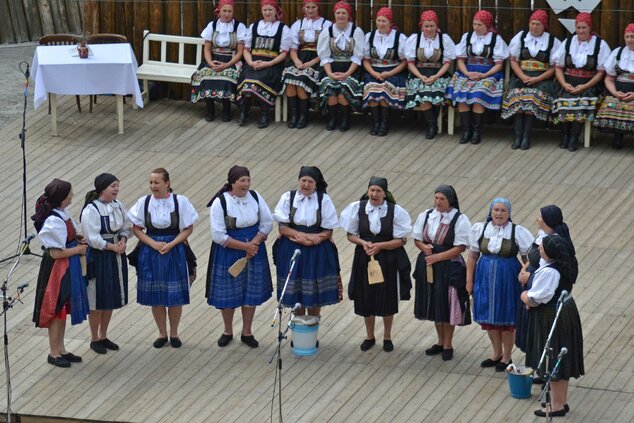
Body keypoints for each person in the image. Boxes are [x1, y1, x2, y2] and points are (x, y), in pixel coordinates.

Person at [128, 168, 198, 348]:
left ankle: (174, 333)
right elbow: (136, 228)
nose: (153, 186)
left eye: (156, 182)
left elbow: (188, 228)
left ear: (167, 183)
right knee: (156, 295)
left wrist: (172, 244)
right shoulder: (144, 203)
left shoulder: (179, 201)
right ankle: (162, 333)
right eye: (151, 182)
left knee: (174, 295)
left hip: (174, 250)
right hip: (151, 252)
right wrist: (152, 243)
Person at [340, 177, 412, 352]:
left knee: (387, 297)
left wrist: (380, 246)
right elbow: (350, 235)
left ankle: (387, 336)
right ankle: (369, 336)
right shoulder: (357, 208)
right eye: (372, 190)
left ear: (385, 194)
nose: (374, 194)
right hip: (364, 257)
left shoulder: (396, 211)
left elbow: (401, 240)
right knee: (366, 297)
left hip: (387, 259)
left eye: (378, 191)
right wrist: (363, 243)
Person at [206, 166, 273, 348]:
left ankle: (247, 332)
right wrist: (246, 246)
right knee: (228, 293)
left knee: (250, 292)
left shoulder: (256, 197)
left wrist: (255, 243)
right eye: (242, 181)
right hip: (229, 251)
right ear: (232, 182)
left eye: (248, 180)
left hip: (254, 249)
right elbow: (218, 235)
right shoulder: (221, 203)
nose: (246, 184)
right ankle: (228, 331)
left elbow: (267, 223)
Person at [272, 166, 341, 333]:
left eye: (310, 181)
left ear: (316, 184)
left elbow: (328, 229)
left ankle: (312, 332)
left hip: (317, 250)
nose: (306, 184)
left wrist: (315, 239)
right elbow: (282, 228)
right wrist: (300, 236)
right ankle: (299, 331)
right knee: (296, 290)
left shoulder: (323, 200)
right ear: (299, 181)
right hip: (292, 248)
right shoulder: (288, 197)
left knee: (315, 291)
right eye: (303, 180)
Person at [466, 198, 532, 371]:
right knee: (490, 317)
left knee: (507, 317)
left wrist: (525, 273)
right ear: (491, 211)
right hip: (485, 277)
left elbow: (528, 259)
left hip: (508, 278)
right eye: (496, 210)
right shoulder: (481, 229)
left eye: (503, 211)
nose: (499, 214)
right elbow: (472, 257)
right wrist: (469, 281)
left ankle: (506, 356)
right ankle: (496, 353)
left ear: (509, 214)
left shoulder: (517, 232)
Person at [522, 234, 584, 418]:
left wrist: (524, 296)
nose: (539, 249)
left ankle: (556, 406)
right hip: (563, 311)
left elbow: (535, 299)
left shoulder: (550, 272)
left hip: (552, 316)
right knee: (560, 357)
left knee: (554, 355)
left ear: (548, 252)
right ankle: (561, 401)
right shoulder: (560, 265)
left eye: (541, 247)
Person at [32, 179, 89, 368]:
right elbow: (55, 253)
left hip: (67, 265)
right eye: (70, 193)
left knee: (62, 310)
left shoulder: (61, 214)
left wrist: (76, 238)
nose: (72, 195)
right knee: (56, 310)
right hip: (57, 268)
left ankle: (61, 348)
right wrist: (78, 250)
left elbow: (66, 238)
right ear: (63, 197)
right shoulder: (54, 221)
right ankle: (53, 352)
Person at [413, 185, 471, 361]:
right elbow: (417, 239)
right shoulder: (426, 215)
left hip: (449, 267)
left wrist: (438, 257)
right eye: (436, 198)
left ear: (450, 201)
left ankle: (448, 343)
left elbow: (460, 247)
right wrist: (425, 247)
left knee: (446, 304)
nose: (438, 202)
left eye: (442, 199)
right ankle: (440, 341)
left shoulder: (459, 219)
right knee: (434, 303)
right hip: (429, 264)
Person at [79, 173, 132, 355]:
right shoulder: (91, 210)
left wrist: (123, 241)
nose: (117, 189)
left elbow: (127, 226)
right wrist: (111, 247)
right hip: (99, 257)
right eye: (113, 186)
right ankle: (94, 338)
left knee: (110, 297)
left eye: (117, 185)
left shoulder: (118, 206)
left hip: (115, 255)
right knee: (97, 299)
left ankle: (104, 335)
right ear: (102, 189)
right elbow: (92, 238)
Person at [446, 10, 509, 144]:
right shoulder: (467, 37)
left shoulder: (495, 39)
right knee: (460, 92)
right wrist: (467, 73)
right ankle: (466, 131)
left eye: (480, 25)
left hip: (489, 73)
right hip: (467, 71)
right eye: (474, 24)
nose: (476, 27)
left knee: (478, 94)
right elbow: (460, 60)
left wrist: (484, 75)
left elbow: (499, 64)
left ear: (487, 25)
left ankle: (476, 132)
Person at [502, 10, 562, 150]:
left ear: (544, 26)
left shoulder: (552, 41)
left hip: (542, 79)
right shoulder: (521, 37)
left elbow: (555, 67)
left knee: (530, 99)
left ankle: (526, 137)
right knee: (517, 99)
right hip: (521, 77)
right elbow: (513, 61)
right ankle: (517, 136)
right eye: (532, 23)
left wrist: (538, 78)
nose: (534, 27)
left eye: (538, 24)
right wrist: (522, 76)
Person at [551, 12, 611, 152]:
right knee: (563, 100)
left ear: (590, 28)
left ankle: (573, 137)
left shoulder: (600, 45)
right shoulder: (568, 42)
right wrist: (564, 83)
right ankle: (564, 136)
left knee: (581, 103)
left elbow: (601, 72)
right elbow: (558, 67)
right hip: (567, 80)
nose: (581, 31)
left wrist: (585, 86)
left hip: (590, 83)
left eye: (584, 27)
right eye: (578, 27)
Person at [237, 0, 291, 128]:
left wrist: (268, 64)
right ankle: (244, 113)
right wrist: (250, 62)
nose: (267, 13)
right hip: (253, 62)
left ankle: (264, 114)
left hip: (273, 64)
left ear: (276, 11)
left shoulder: (283, 29)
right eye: (265, 10)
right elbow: (246, 49)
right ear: (262, 11)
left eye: (270, 10)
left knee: (260, 79)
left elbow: (284, 53)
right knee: (247, 79)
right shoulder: (254, 26)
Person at [191, 0, 246, 122]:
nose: (227, 14)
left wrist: (227, 65)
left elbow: (240, 52)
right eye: (224, 11)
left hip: (231, 60)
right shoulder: (213, 25)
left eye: (229, 11)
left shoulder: (239, 26)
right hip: (213, 58)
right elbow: (207, 48)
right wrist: (210, 63)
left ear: (233, 11)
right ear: (219, 11)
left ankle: (227, 109)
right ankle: (210, 109)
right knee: (205, 75)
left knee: (228, 77)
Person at [405, 10, 456, 139]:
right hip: (419, 73)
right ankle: (431, 125)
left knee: (437, 91)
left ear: (436, 25)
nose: (429, 29)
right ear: (421, 26)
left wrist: (436, 76)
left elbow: (446, 63)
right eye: (426, 26)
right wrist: (420, 76)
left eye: (431, 26)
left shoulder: (444, 39)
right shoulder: (415, 39)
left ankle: (433, 124)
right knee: (422, 92)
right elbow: (410, 63)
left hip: (438, 73)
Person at [282, 0, 331, 129]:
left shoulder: (326, 25)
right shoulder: (298, 24)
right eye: (307, 7)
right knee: (291, 78)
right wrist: (297, 61)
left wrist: (311, 63)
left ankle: (304, 116)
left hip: (318, 59)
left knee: (302, 79)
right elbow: (293, 48)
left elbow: (326, 50)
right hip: (300, 56)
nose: (310, 10)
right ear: (304, 9)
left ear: (318, 8)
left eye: (313, 7)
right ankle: (294, 115)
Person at [317, 0, 364, 131]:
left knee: (343, 88)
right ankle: (332, 119)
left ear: (349, 15)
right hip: (331, 68)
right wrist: (330, 73)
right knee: (330, 87)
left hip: (351, 69)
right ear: (334, 14)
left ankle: (345, 119)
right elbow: (324, 56)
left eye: (344, 13)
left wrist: (347, 73)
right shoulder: (327, 31)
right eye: (338, 13)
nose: (340, 16)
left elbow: (358, 56)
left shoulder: (356, 31)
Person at [362, 7, 408, 136]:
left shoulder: (399, 37)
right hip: (374, 71)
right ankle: (376, 122)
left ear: (390, 23)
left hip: (393, 72)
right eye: (379, 20)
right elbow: (365, 60)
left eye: (384, 21)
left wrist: (390, 73)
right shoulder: (369, 36)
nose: (381, 24)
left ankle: (384, 123)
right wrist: (373, 73)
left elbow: (404, 62)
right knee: (372, 89)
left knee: (384, 91)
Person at [594, 23, 634, 149]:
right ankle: (618, 137)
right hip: (618, 89)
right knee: (612, 103)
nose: (629, 39)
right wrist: (615, 93)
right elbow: (609, 78)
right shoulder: (618, 53)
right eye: (627, 36)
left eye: (632, 36)